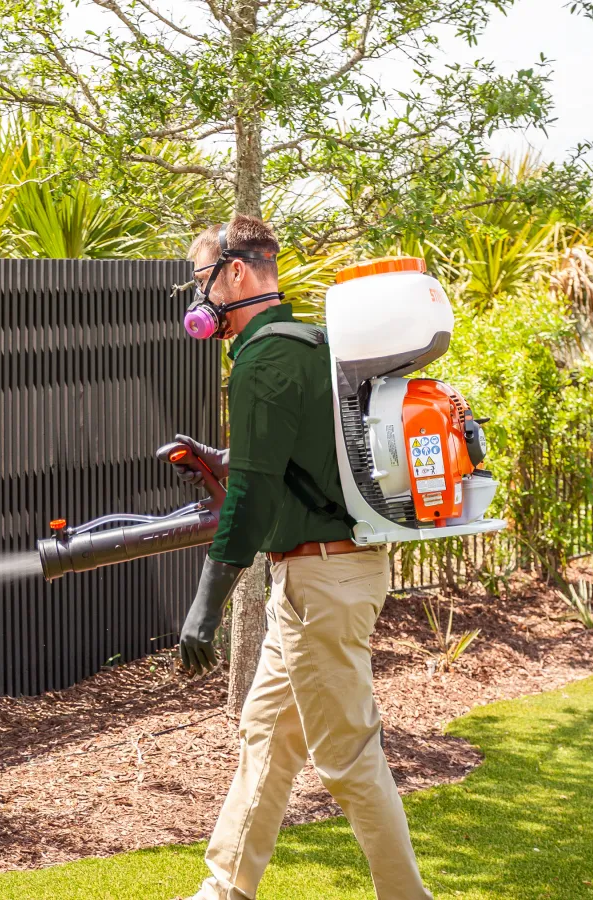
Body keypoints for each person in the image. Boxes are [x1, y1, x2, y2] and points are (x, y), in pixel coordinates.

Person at [168, 215, 432, 900]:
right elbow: (291, 464)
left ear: (236, 271)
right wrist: (222, 461)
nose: (202, 304)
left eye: (202, 283)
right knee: (268, 736)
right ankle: (226, 886)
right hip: (318, 573)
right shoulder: (310, 343)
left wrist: (204, 608)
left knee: (346, 759)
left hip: (323, 577)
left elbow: (254, 496)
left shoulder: (263, 360)